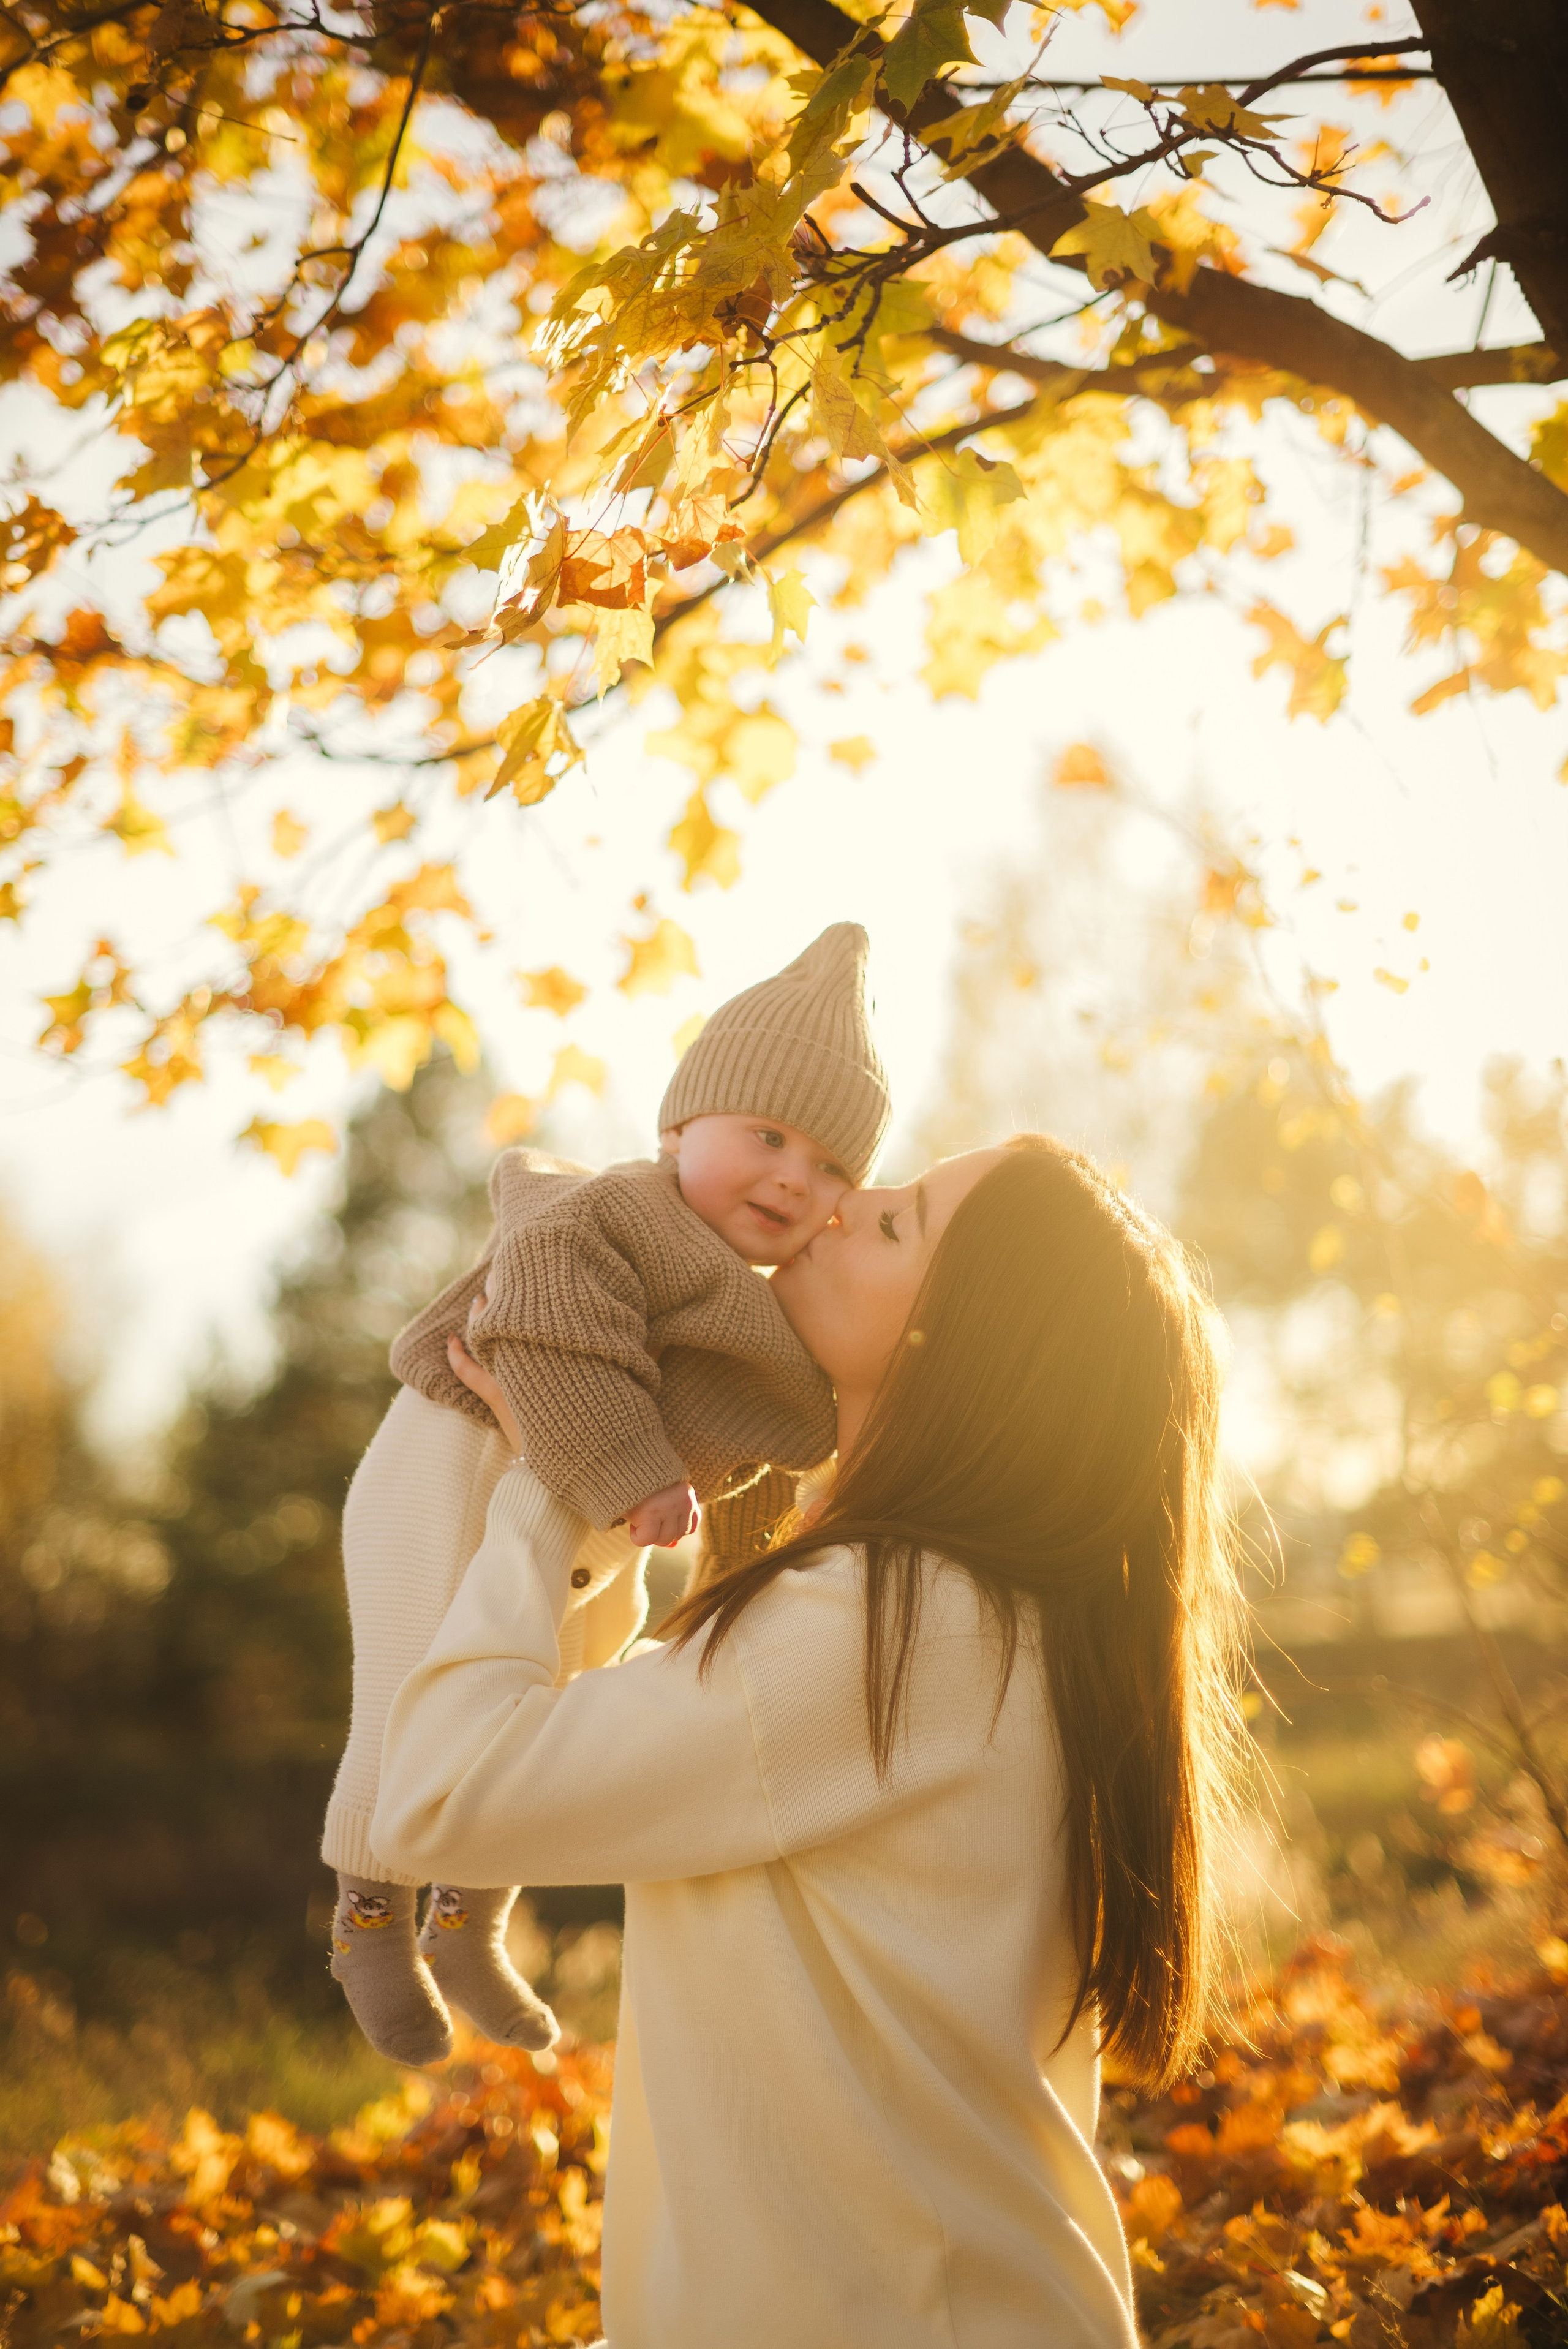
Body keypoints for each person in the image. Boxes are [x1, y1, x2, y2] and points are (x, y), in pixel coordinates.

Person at [372, 1134, 1248, 2349]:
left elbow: (440, 1793)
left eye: (896, 1223)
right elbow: (582, 1741)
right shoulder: (944, 1610)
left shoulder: (883, 1620)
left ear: (961, 1346)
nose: (836, 1208)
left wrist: (545, 1481)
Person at [322, 924, 890, 2064]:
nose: (794, 1175)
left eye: (831, 1165)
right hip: (459, 1451)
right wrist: (636, 1473)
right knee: (417, 1675)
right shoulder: (607, 1214)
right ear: (680, 1127)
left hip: (585, 1499)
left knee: (575, 1671)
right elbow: (554, 1330)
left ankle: (471, 1919)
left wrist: (773, 1533)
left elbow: (751, 1426)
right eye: (768, 1136)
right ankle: (368, 1922)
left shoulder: (760, 1297)